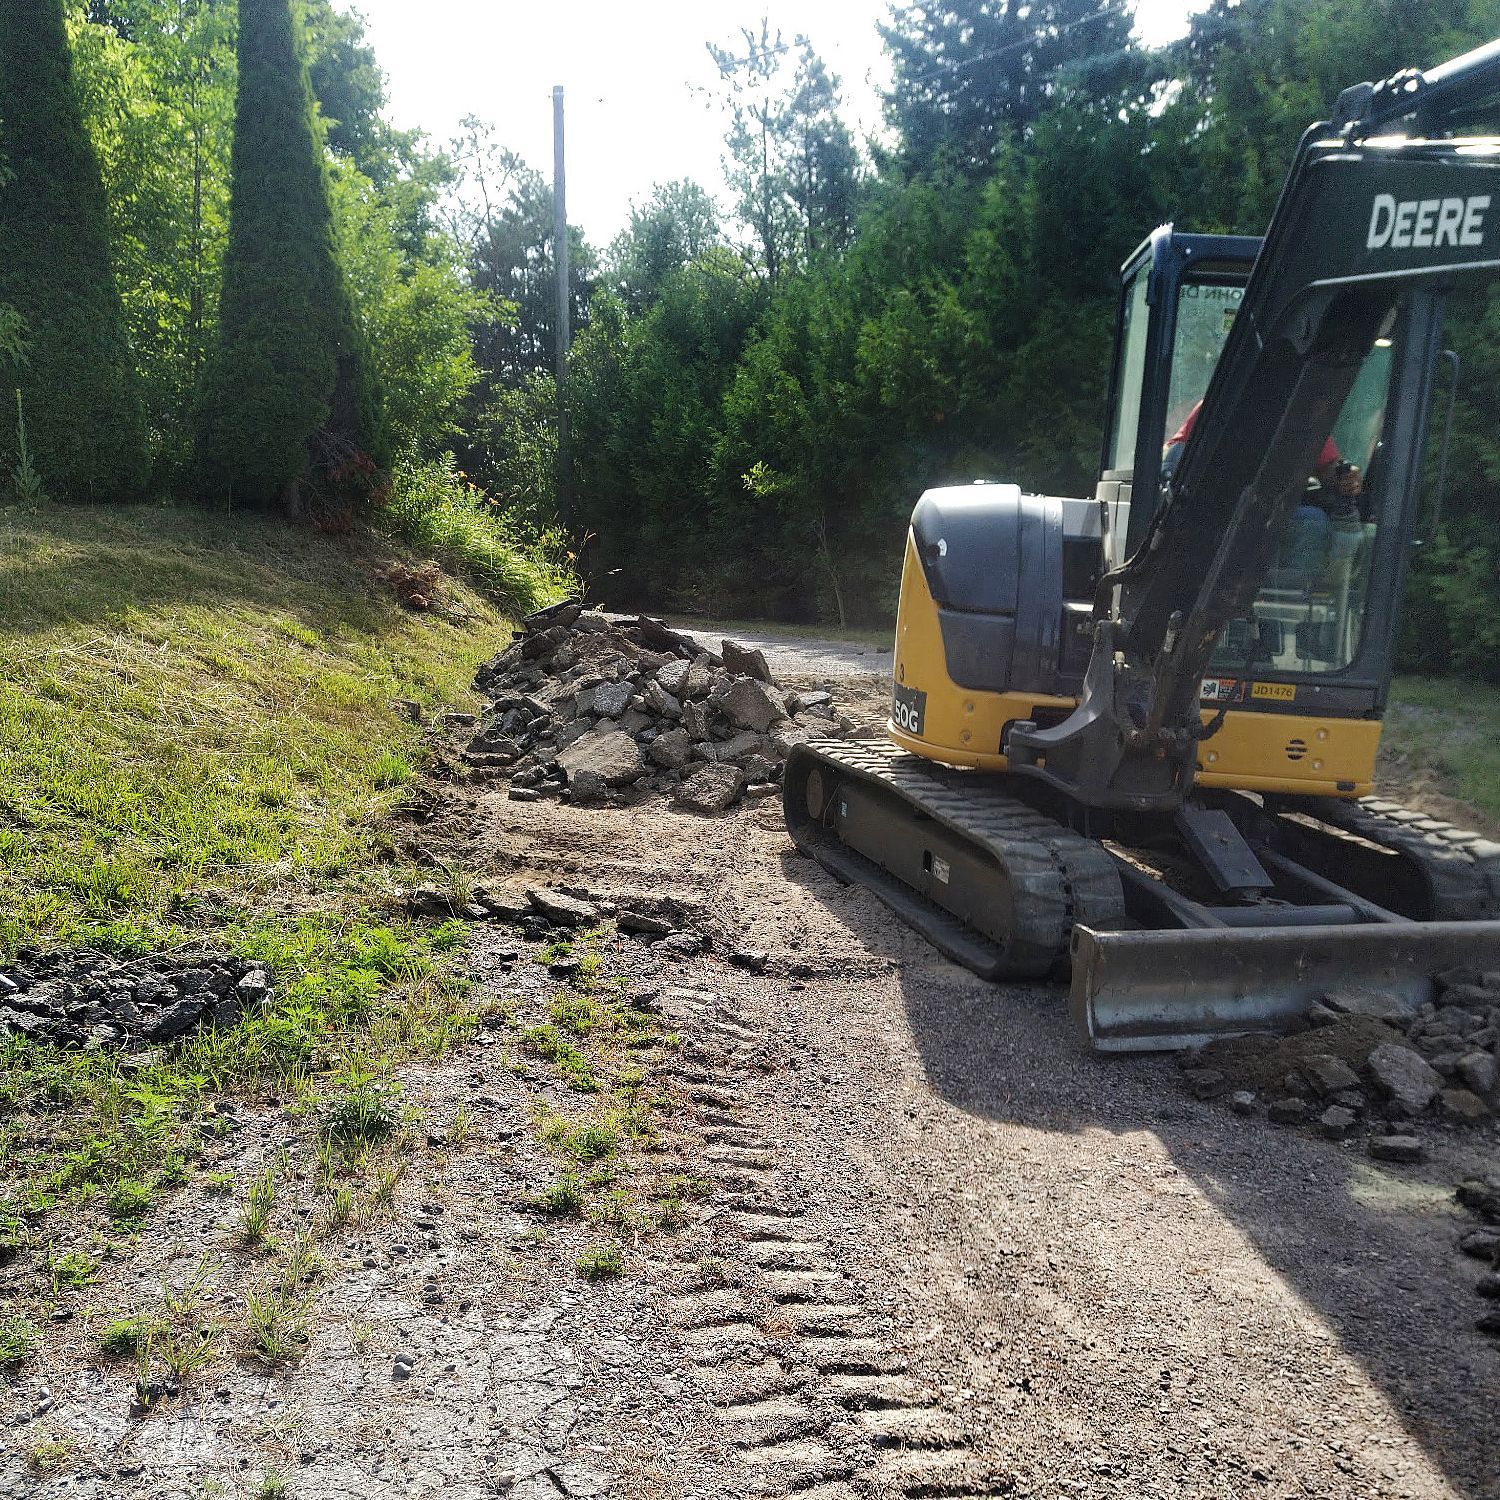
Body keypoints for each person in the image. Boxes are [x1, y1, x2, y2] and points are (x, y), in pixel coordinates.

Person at [1161, 398, 1363, 503]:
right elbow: (1174, 457)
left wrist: (1344, 476)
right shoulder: (1220, 405)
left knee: (1313, 522)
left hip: (1275, 512)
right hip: (1212, 507)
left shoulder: (1306, 420)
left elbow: (1328, 465)